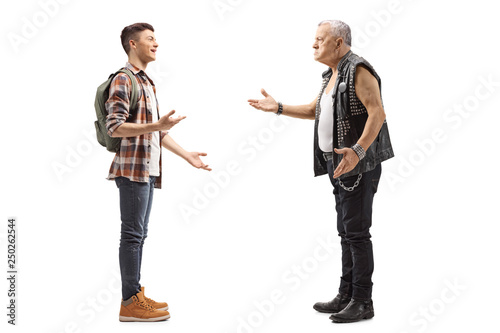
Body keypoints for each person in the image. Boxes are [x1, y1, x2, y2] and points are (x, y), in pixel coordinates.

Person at [248, 20, 394, 323]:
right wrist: (278, 107)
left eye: (319, 39)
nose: (314, 44)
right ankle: (346, 294)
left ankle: (363, 300)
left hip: (356, 164)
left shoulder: (359, 69)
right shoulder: (332, 74)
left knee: (356, 232)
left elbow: (377, 112)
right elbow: (316, 110)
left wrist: (358, 150)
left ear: (338, 43)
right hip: (336, 163)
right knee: (345, 231)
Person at [105, 22, 211, 322]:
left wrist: (187, 154)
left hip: (148, 170)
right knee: (132, 235)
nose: (156, 44)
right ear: (133, 44)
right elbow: (116, 126)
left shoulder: (146, 82)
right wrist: (155, 126)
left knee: (139, 235)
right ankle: (129, 302)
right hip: (132, 170)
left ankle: (135, 294)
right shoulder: (124, 80)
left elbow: (156, 133)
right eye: (150, 39)